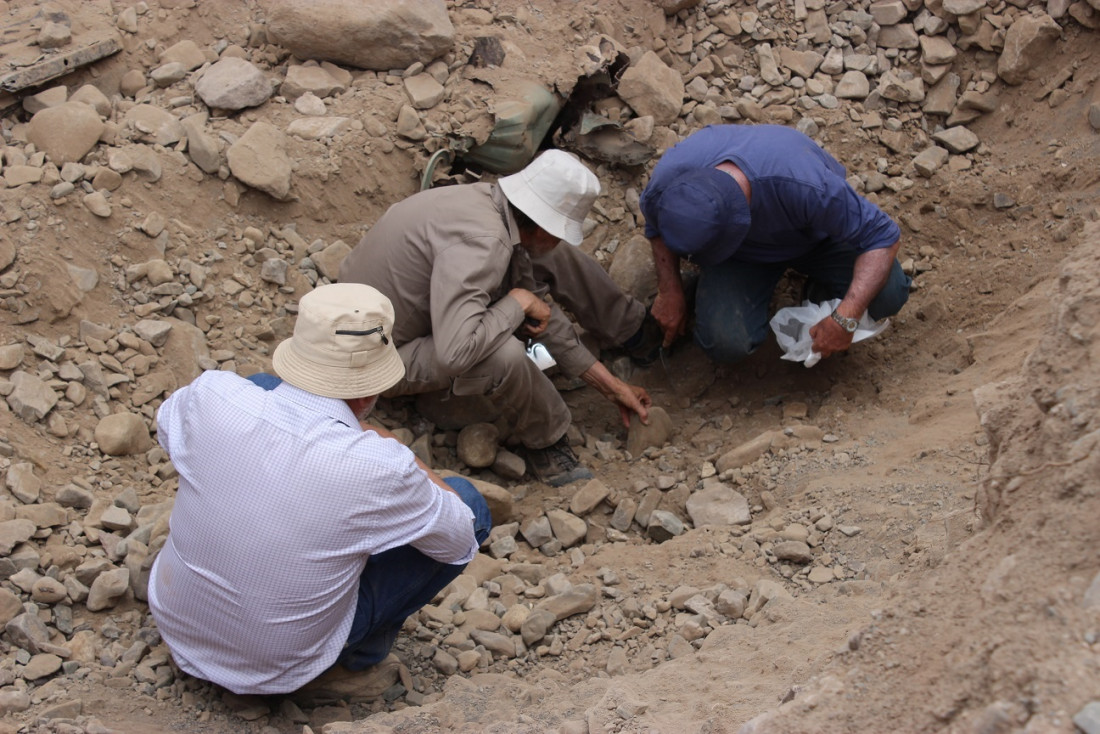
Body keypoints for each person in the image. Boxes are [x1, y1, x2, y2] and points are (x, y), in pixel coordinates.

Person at [147, 283, 491, 698]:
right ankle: (358, 658)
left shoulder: (212, 394)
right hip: (277, 668)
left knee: (260, 384)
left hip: (177, 626)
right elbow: (458, 538)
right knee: (469, 504)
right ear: (369, 390)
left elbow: (168, 430)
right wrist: (397, 453)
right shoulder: (379, 466)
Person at [338, 149, 659, 487]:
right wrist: (518, 304)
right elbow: (455, 353)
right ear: (541, 225)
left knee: (552, 261)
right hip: (370, 360)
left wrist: (611, 386)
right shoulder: (486, 245)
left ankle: (632, 331)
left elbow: (539, 311)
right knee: (503, 353)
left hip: (374, 316)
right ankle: (545, 440)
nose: (560, 239)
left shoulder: (491, 205)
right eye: (559, 231)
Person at [638, 124, 911, 364]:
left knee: (888, 293)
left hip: (815, 238)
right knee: (725, 343)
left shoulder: (805, 184)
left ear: (737, 221)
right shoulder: (668, 181)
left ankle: (818, 294)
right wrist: (670, 289)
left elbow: (883, 238)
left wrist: (845, 316)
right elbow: (656, 227)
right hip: (743, 257)